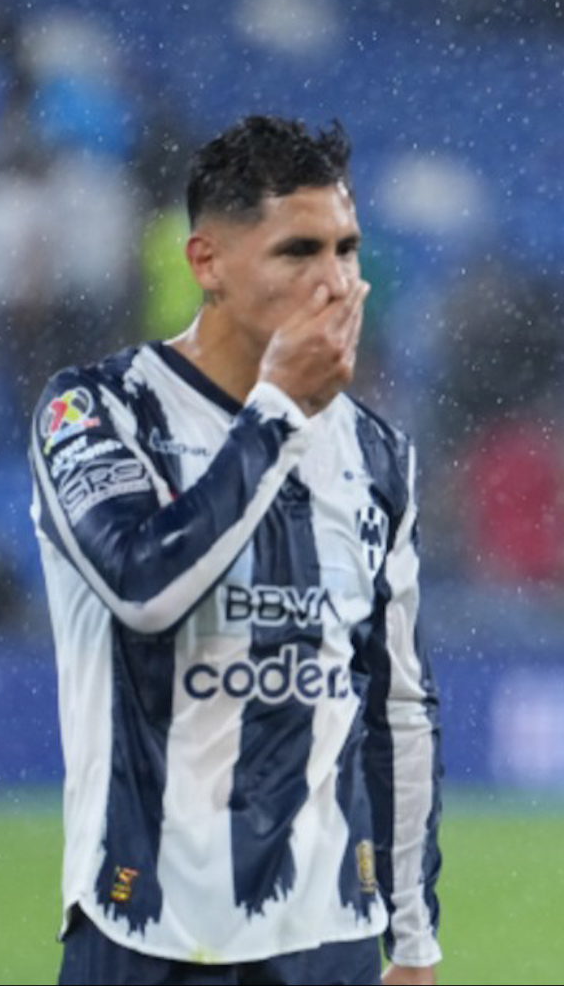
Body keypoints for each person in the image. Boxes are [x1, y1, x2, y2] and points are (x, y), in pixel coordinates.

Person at [28, 115, 442, 985]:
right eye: (298, 252)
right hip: (143, 927)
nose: (337, 284)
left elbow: (396, 706)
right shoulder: (96, 412)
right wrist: (278, 411)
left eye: (348, 249)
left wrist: (411, 937)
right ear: (206, 263)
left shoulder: (376, 454)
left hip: (326, 934)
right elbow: (144, 587)